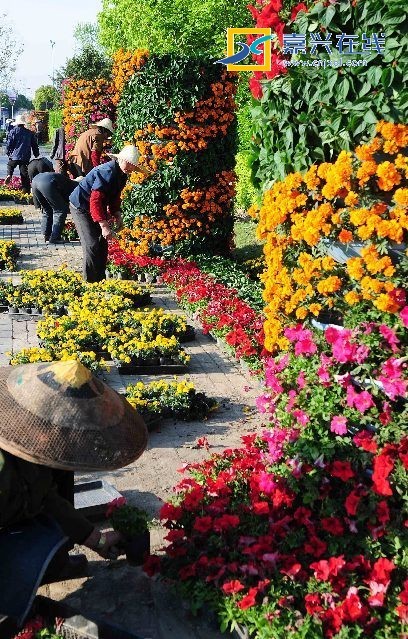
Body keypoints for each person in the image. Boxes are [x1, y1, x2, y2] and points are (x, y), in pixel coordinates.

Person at [0, 358, 148, 623]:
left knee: (59, 465)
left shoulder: (25, 450)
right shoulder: (5, 473)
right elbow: (39, 498)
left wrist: (96, 539)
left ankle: (55, 563)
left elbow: (47, 497)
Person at [69, 145, 151, 282]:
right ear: (120, 160)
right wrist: (104, 225)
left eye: (132, 165)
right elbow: (95, 200)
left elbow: (114, 196)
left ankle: (99, 281)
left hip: (94, 205)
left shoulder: (122, 174)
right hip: (81, 205)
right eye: (127, 163)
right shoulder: (106, 172)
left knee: (102, 244)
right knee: (92, 244)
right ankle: (89, 283)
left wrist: (117, 213)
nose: (129, 167)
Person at [31, 172, 79, 243]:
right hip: (48, 183)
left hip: (35, 181)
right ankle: (55, 238)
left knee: (47, 209)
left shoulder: (68, 182)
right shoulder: (76, 187)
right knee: (60, 210)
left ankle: (46, 234)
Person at [5, 115, 39, 193]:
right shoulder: (29, 133)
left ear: (17, 123)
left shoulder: (12, 131)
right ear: (24, 123)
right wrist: (36, 154)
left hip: (14, 156)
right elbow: (34, 145)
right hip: (25, 157)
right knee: (24, 174)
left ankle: (9, 174)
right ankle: (25, 190)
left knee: (10, 165)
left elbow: (9, 144)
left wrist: (8, 153)